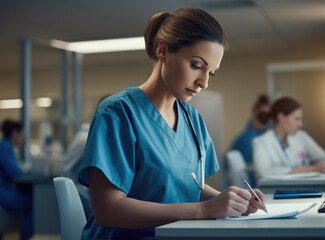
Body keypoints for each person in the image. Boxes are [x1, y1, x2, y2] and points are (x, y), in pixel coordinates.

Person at [78, 8, 266, 239]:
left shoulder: (192, 119)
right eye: (197, 65)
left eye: (211, 72)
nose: (204, 82)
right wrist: (204, 210)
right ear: (163, 50)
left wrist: (232, 201)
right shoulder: (118, 112)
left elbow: (190, 188)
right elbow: (108, 210)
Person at [252, 97, 325, 179]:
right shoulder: (261, 142)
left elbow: (324, 158)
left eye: (300, 119)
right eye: (296, 119)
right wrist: (310, 169)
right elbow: (265, 173)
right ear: (281, 117)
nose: (300, 124)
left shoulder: (301, 137)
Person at [0, 119, 33, 240]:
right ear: (15, 133)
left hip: (4, 190)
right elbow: (15, 173)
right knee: (33, 200)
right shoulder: (4, 147)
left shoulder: (5, 146)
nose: (23, 138)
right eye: (22, 135)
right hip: (2, 193)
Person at [230, 94, 271, 164]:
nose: (264, 119)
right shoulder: (247, 138)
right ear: (254, 115)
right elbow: (251, 166)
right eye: (262, 115)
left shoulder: (269, 134)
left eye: (267, 116)